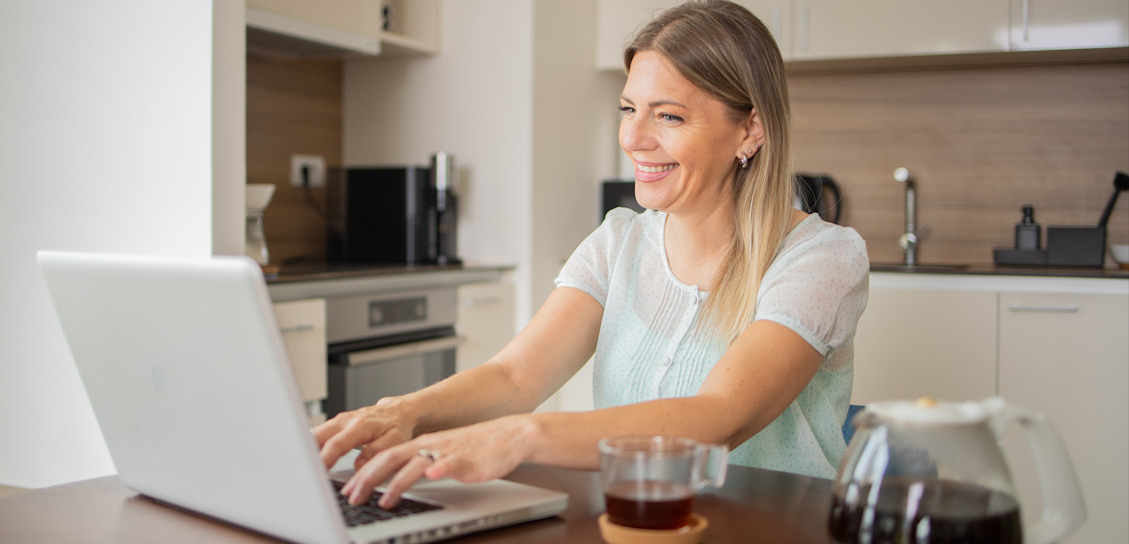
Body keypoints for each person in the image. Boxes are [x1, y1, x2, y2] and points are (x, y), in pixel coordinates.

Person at [314, 0, 869, 509]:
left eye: (668, 116)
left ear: (750, 130)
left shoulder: (821, 258)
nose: (633, 137)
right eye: (629, 108)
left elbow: (719, 417)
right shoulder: (618, 242)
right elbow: (515, 377)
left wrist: (523, 436)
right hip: (636, 522)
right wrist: (404, 412)